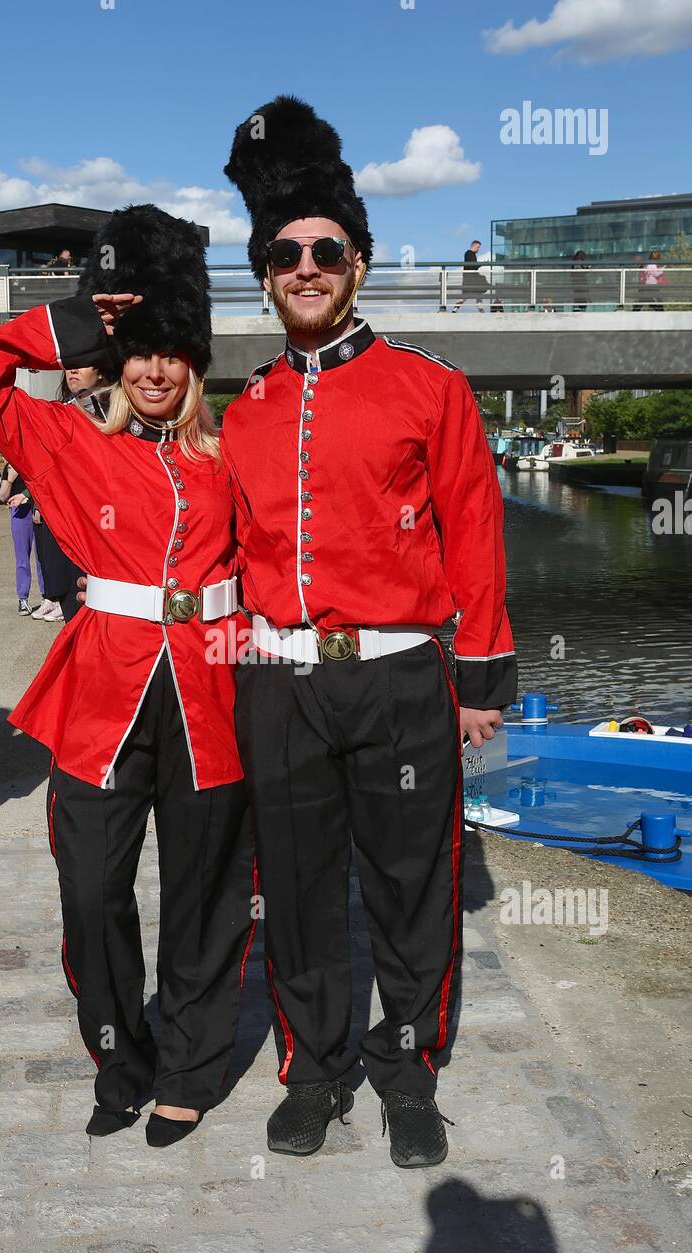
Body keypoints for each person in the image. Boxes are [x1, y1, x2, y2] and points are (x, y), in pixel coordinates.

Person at [222, 96, 517, 1167]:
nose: (305, 265)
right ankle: (312, 1067)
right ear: (263, 269)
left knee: (410, 885)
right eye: (284, 250)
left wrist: (479, 675)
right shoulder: (243, 406)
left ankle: (404, 1072)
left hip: (399, 681)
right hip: (279, 682)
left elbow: (475, 539)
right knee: (291, 888)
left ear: (357, 262)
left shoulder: (431, 389)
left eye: (325, 249)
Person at [0, 204, 255, 1146]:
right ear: (121, 363)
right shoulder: (69, 441)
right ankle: (121, 1057)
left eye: (174, 353)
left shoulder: (235, 455)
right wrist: (84, 318)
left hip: (214, 690)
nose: (157, 370)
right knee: (91, 891)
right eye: (142, 352)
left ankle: (193, 1067)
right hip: (102, 692)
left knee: (204, 893)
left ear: (196, 365)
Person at [31, 361, 119, 623]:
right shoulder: (57, 415)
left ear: (102, 370)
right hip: (68, 527)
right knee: (74, 611)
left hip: (110, 530)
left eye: (82, 365)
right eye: (69, 365)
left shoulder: (122, 413)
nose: (72, 370)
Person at [0, 461, 44, 613]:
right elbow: (2, 496)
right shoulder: (10, 466)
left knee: (42, 556)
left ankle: (48, 596)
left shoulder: (33, 460)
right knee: (22, 557)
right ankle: (23, 599)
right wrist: (10, 479)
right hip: (19, 512)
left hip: (37, 509)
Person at [452, 239, 488, 312]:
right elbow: (473, 266)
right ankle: (481, 310)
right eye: (478, 247)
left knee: (470, 295)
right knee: (471, 295)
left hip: (469, 278)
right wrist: (481, 264)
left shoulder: (470, 254)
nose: (479, 249)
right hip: (470, 279)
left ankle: (455, 310)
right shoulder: (469, 253)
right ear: (474, 246)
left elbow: (472, 266)